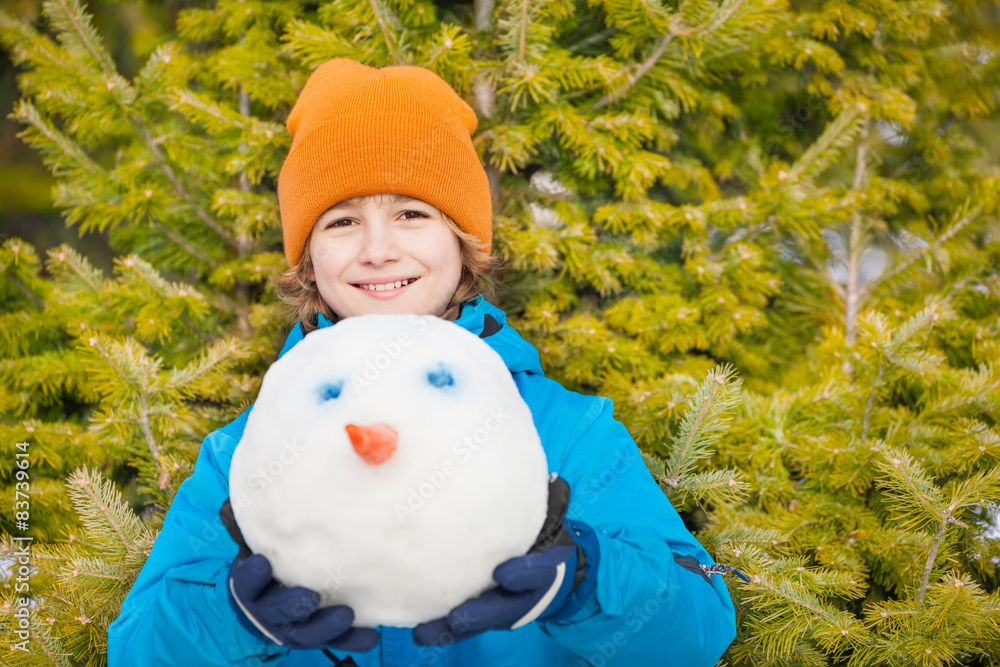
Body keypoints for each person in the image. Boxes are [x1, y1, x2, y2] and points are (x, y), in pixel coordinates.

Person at [108, 58, 737, 667]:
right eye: (342, 221)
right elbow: (137, 652)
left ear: (463, 242)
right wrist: (230, 618)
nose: (379, 250)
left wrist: (584, 581)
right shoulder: (248, 450)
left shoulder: (567, 435)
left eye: (412, 214)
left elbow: (698, 629)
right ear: (308, 257)